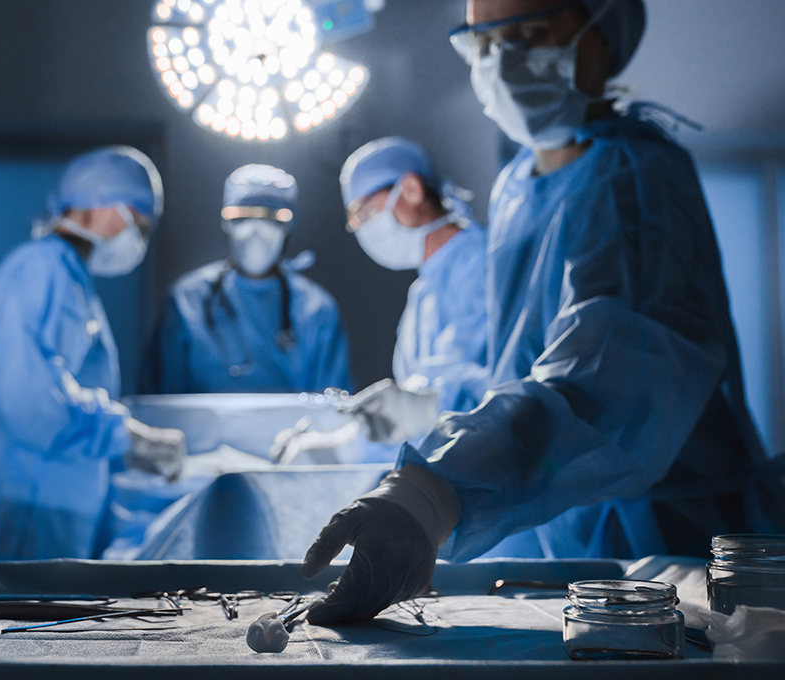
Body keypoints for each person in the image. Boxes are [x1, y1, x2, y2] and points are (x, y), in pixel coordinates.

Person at [301, 0, 783, 624]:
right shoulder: (518, 188)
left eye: (530, 35)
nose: (504, 62)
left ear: (601, 37)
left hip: (657, 536)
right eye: (485, 44)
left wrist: (435, 489)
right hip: (553, 529)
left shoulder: (633, 178)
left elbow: (601, 386)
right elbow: (516, 368)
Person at [0, 146, 186, 565]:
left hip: (42, 509)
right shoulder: (40, 271)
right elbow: (30, 401)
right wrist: (126, 435)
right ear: (106, 210)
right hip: (22, 513)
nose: (141, 236)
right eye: (140, 222)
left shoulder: (68, 278)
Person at [147, 164, 352, 394]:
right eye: (243, 216)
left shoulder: (316, 309)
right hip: (199, 432)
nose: (256, 228)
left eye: (270, 216)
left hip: (296, 431)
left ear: (289, 225)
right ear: (226, 221)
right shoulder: (187, 300)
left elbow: (333, 406)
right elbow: (161, 402)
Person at [336, 137, 489, 444]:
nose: (365, 229)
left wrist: (424, 409)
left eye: (367, 213)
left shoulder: (484, 264)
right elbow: (410, 424)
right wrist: (345, 442)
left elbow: (495, 388)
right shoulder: (423, 293)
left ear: (411, 190)